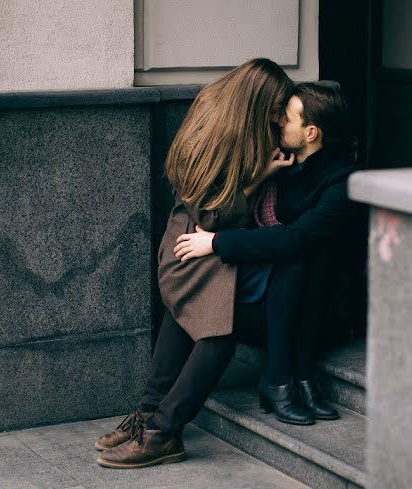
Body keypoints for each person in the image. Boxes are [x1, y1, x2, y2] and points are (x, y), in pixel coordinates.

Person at [94, 58, 296, 469]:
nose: (278, 119)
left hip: (198, 244)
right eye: (276, 109)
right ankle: (163, 431)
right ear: (256, 102)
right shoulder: (227, 133)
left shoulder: (218, 110)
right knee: (216, 328)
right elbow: (215, 213)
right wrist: (259, 178)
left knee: (197, 314)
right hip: (196, 240)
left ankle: (152, 419)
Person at [173, 82, 363, 426]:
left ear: (310, 132)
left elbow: (295, 239)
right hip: (286, 303)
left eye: (286, 119)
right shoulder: (286, 167)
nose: (278, 124)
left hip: (326, 314)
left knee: (304, 252)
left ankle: (283, 377)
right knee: (193, 294)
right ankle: (294, 379)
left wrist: (216, 242)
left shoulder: (343, 182)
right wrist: (263, 175)